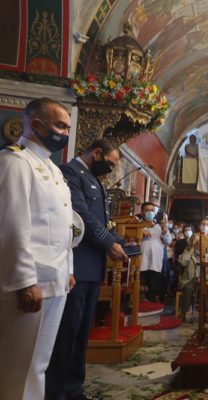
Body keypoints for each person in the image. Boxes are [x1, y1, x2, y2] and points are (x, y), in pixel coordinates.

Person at [0, 98, 75, 399]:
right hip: (30, 283)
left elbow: (64, 225)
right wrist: (24, 281)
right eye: (60, 126)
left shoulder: (53, 169)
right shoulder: (15, 162)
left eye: (68, 128)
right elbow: (11, 226)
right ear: (36, 124)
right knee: (17, 365)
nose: (65, 133)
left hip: (55, 279)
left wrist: (68, 270)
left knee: (37, 364)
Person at [45, 139, 128, 400]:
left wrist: (122, 242)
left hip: (93, 268)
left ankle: (74, 388)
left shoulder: (93, 179)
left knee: (82, 334)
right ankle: (57, 391)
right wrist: (109, 243)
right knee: (67, 333)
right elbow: (81, 215)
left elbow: (103, 221)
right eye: (110, 164)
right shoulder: (71, 172)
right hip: (77, 267)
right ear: (97, 153)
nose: (110, 169)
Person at [140, 202, 172, 302]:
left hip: (155, 263)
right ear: (142, 212)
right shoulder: (138, 226)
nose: (150, 212)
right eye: (147, 210)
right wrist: (140, 232)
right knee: (141, 288)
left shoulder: (159, 227)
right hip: (141, 262)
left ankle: (151, 305)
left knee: (152, 290)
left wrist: (164, 229)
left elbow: (168, 241)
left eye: (152, 210)